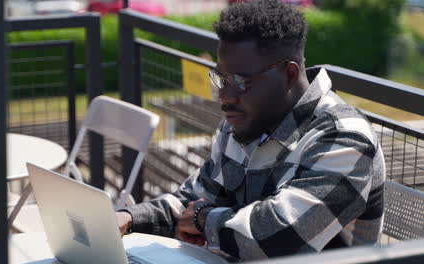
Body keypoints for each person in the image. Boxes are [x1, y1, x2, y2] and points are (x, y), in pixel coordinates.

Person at [116, 0, 385, 261]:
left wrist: (204, 219)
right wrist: (126, 219)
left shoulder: (343, 136)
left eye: (241, 81)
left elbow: (279, 239)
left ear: (289, 74)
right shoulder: (243, 122)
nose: (225, 96)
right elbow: (193, 200)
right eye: (221, 78)